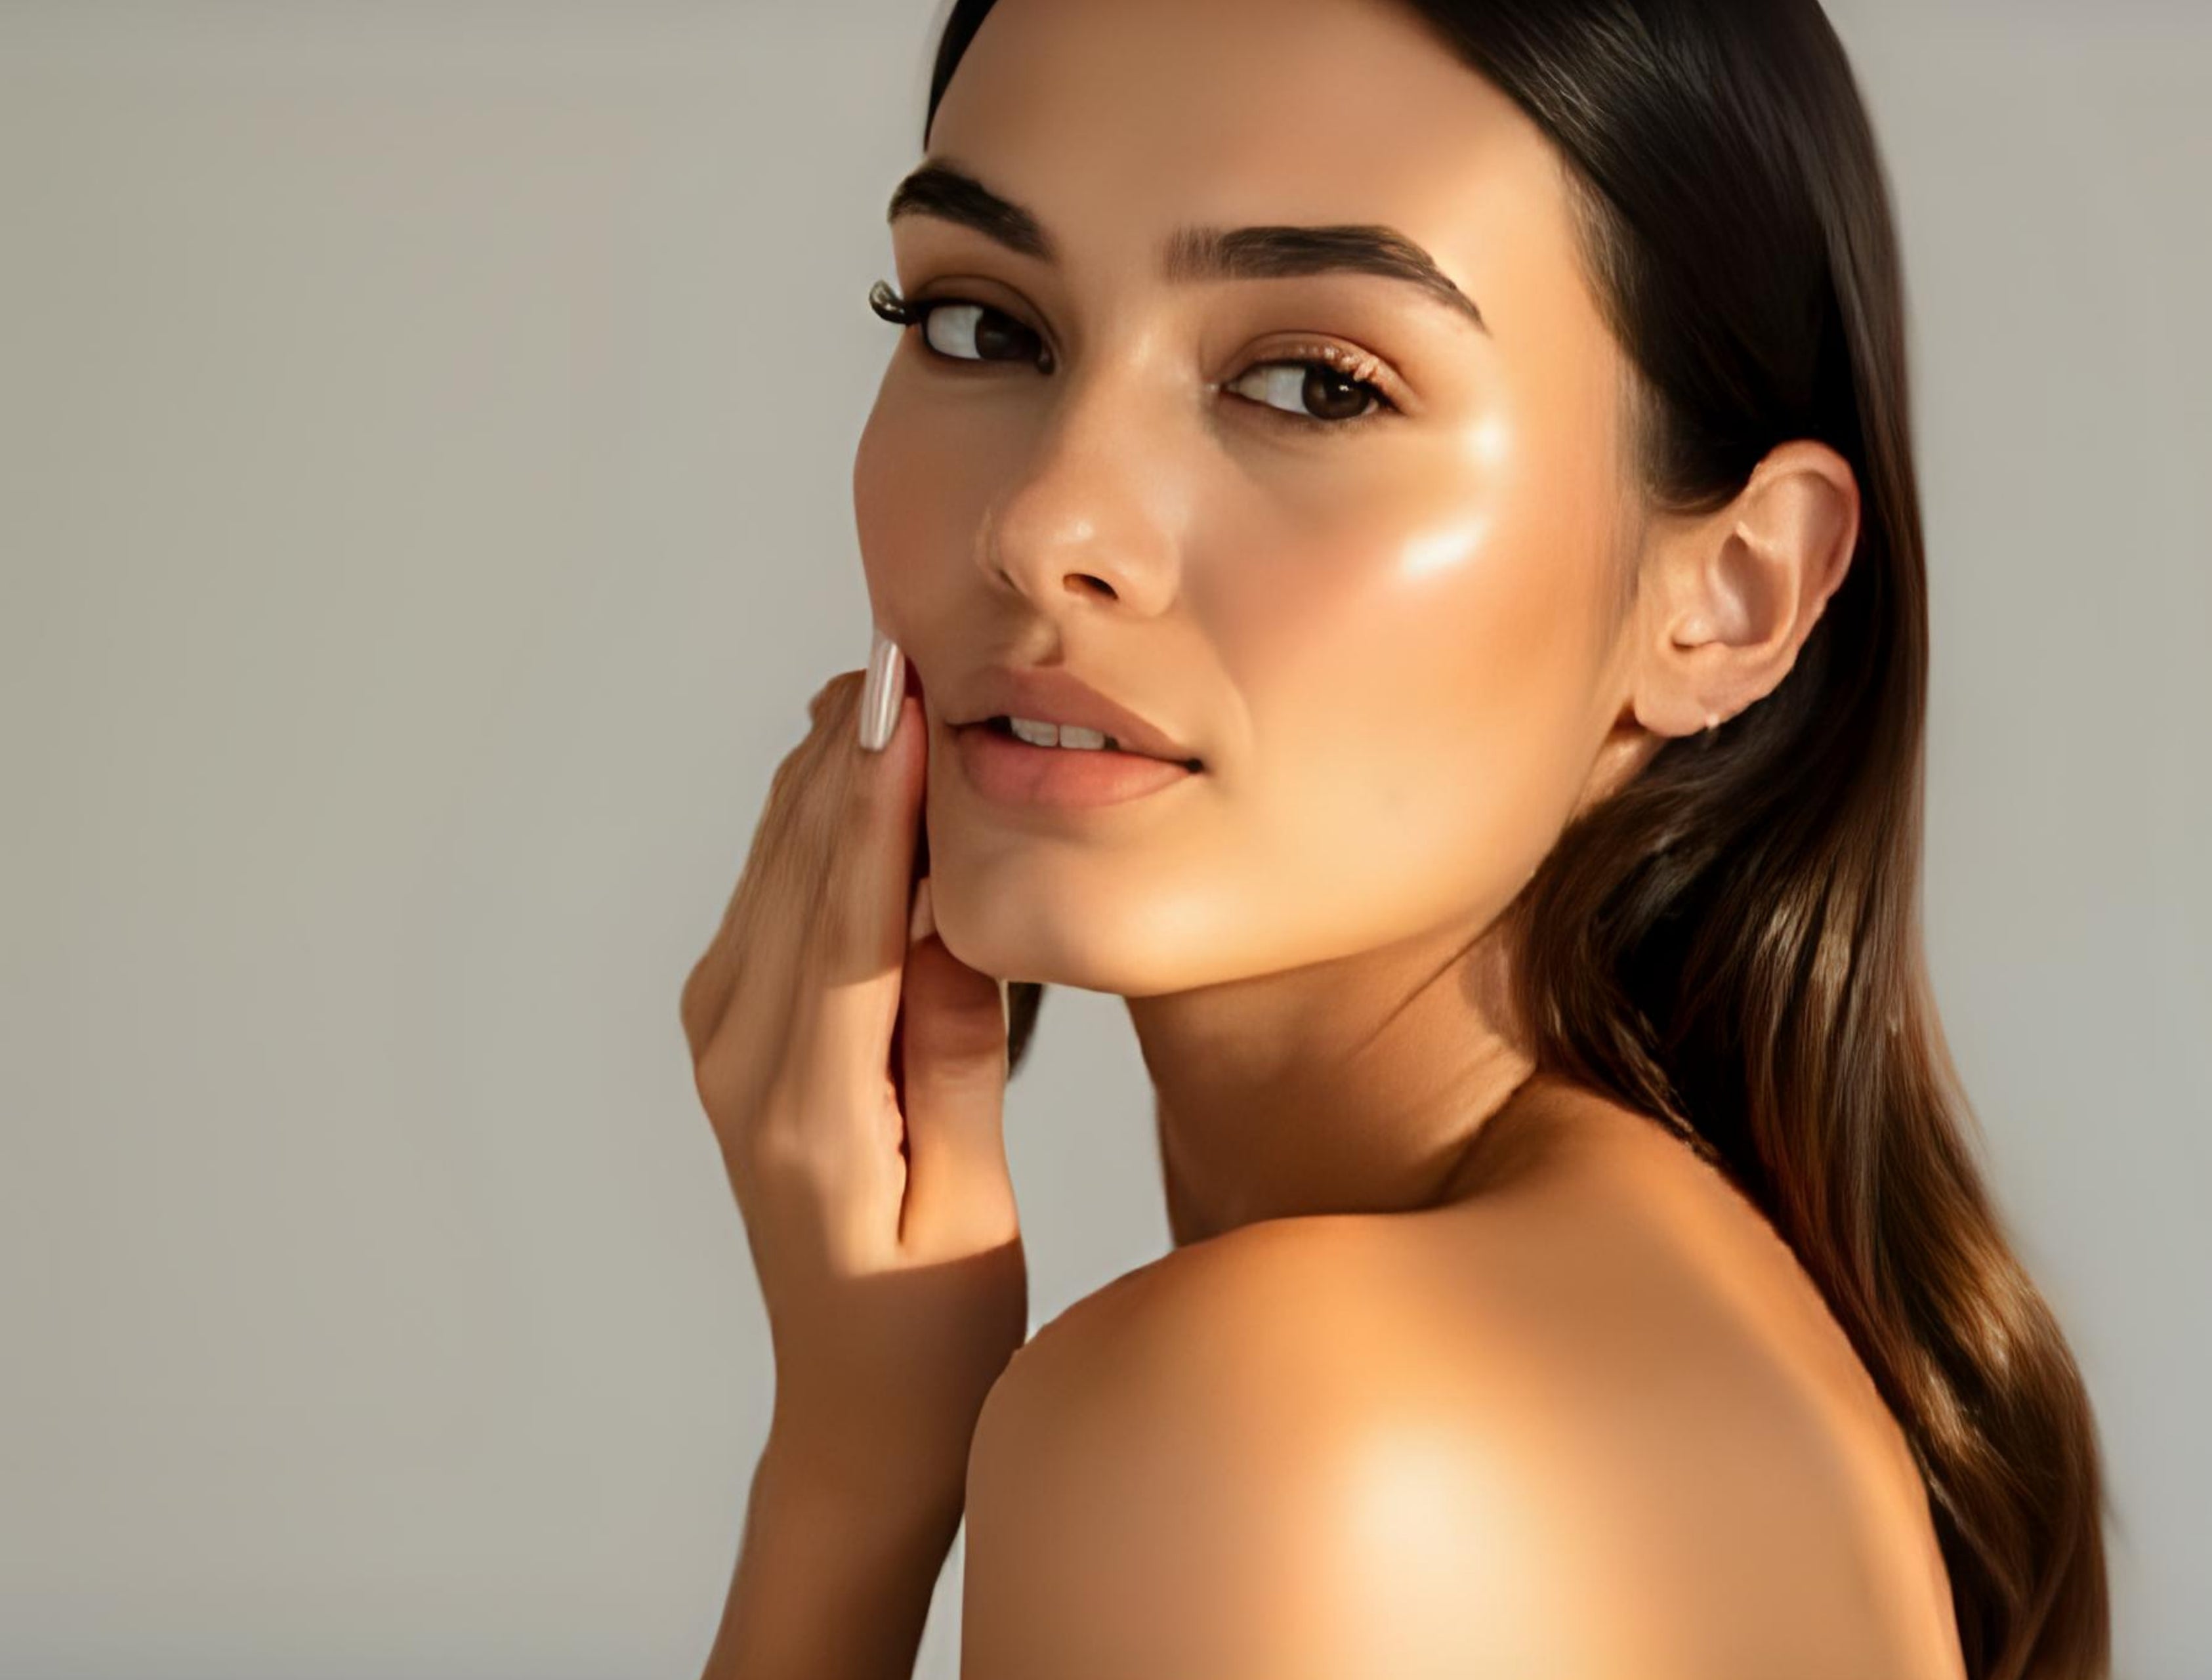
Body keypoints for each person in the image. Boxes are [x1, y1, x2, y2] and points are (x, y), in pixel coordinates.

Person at [678, 0, 2111, 1674]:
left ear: (1730, 596)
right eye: (983, 326)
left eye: (1313, 383)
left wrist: (844, 1505)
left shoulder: (1281, 1431)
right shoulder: (1696, 1329)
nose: (1049, 521)